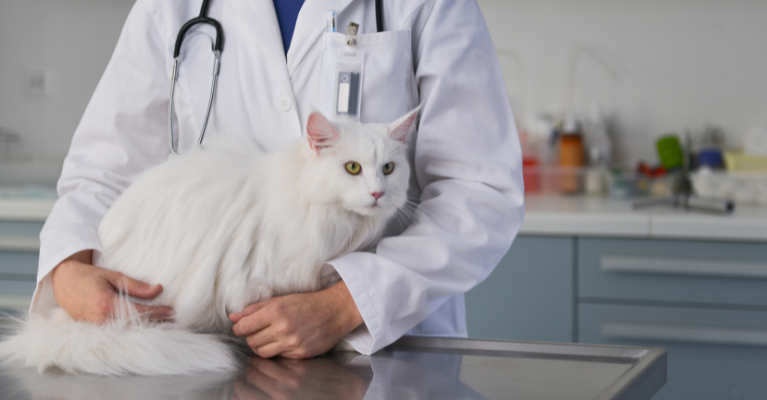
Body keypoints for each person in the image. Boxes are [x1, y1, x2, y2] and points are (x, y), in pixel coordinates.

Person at [33, 0, 524, 359]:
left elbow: (481, 190)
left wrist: (350, 302)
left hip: (383, 353)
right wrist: (68, 268)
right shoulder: (169, 6)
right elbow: (101, 169)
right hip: (205, 353)